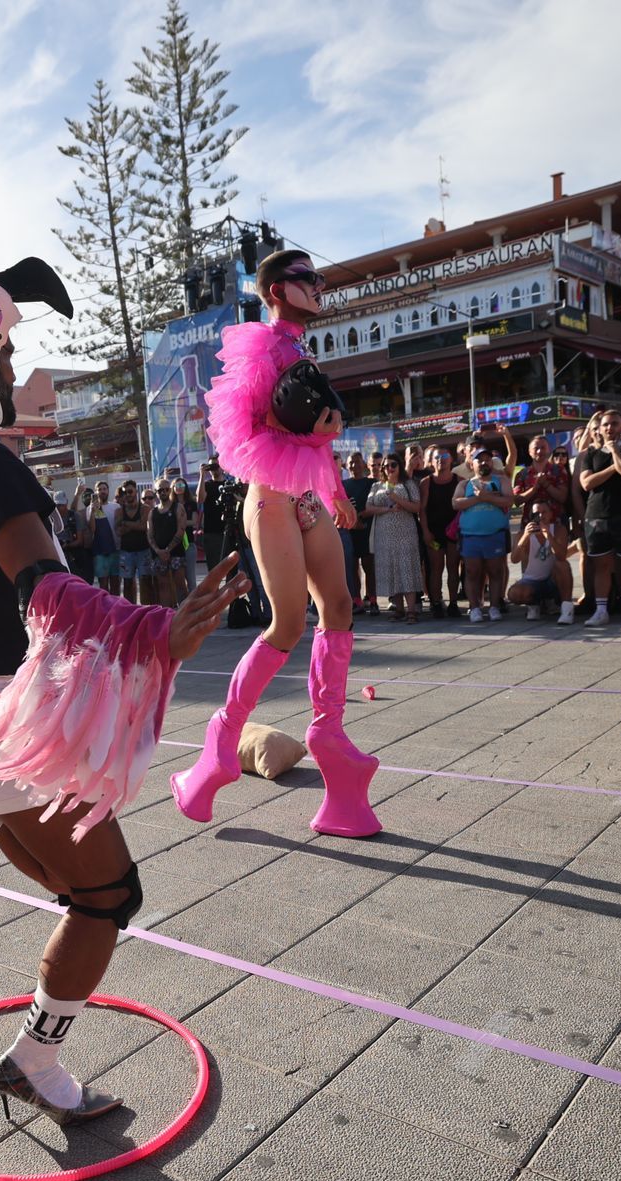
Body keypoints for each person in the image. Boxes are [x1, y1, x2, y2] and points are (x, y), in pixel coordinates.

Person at [0, 257, 244, 1123]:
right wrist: (153, 631)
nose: (12, 370)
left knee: (73, 891)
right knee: (108, 897)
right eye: (5, 353)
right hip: (16, 727)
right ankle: (34, 1061)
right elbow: (42, 591)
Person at [172, 248, 380, 838]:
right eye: (306, 279)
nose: (318, 285)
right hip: (271, 499)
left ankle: (327, 729)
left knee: (338, 607)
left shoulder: (301, 350)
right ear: (276, 291)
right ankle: (223, 735)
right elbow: (248, 427)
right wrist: (304, 417)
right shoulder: (262, 345)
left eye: (318, 277)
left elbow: (317, 436)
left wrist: (336, 490)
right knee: (288, 623)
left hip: (310, 498)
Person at [576, 408, 621, 626]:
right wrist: (613, 466)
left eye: (615, 423)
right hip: (597, 516)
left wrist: (615, 451)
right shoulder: (591, 453)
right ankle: (601, 610)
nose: (610, 428)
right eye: (606, 424)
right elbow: (587, 483)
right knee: (601, 566)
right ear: (599, 429)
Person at [363, 452, 424, 622]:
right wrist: (387, 510)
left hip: (405, 534)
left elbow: (416, 507)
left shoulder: (408, 484)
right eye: (385, 466)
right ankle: (399, 609)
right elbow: (368, 508)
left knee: (406, 569)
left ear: (399, 466)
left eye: (393, 465)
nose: (389, 468)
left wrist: (396, 498)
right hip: (383, 536)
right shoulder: (377, 486)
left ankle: (412, 610)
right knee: (390, 570)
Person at [452, 460, 512, 623]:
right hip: (470, 536)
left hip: (494, 534)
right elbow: (456, 503)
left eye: (487, 459)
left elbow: (508, 501)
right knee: (472, 572)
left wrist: (487, 497)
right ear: (472, 465)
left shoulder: (501, 481)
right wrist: (479, 499)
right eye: (480, 460)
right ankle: (475, 608)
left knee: (495, 572)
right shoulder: (465, 484)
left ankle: (494, 607)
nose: (484, 462)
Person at [507, 500, 578, 624]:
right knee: (514, 594)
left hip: (553, 580)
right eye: (536, 513)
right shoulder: (523, 534)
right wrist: (525, 537)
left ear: (551, 514)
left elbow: (561, 556)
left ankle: (567, 609)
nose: (540, 516)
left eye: (544, 512)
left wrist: (548, 536)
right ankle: (533, 604)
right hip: (532, 581)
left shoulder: (559, 530)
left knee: (562, 565)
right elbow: (514, 559)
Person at [421, 447, 461, 616]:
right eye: (437, 457)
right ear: (431, 462)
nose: (441, 460)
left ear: (451, 459)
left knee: (453, 567)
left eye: (444, 456)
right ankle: (436, 602)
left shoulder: (460, 480)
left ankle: (453, 603)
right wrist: (426, 532)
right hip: (435, 533)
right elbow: (421, 510)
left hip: (453, 533)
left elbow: (462, 508)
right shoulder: (426, 482)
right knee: (436, 567)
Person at [340, 451, 376, 612]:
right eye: (351, 463)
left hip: (368, 530)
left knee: (370, 567)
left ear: (364, 464)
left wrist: (361, 516)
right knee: (353, 567)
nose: (354, 465)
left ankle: (373, 599)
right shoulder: (343, 485)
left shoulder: (372, 483)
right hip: (350, 530)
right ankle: (356, 599)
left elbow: (375, 504)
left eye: (357, 462)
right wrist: (353, 522)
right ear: (346, 466)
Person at [114, 480, 150, 604]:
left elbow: (144, 526)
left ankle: (147, 609)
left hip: (143, 550)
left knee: (145, 581)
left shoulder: (145, 508)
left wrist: (125, 524)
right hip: (126, 551)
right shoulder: (119, 511)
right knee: (127, 582)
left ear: (136, 492)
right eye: (125, 492)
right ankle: (131, 609)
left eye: (130, 491)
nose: (128, 494)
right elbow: (118, 531)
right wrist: (135, 524)